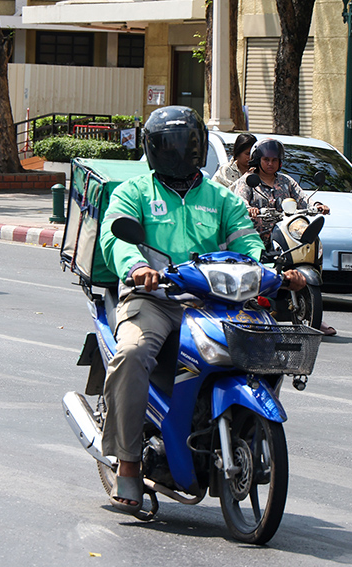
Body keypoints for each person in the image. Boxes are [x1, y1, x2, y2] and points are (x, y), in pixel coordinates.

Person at [98, 106, 306, 514]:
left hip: (216, 302)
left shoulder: (222, 198)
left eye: (185, 143)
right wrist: (137, 268)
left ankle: (246, 429)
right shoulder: (135, 192)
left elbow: (248, 243)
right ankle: (127, 460)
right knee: (134, 352)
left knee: (264, 349)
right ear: (154, 149)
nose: (177, 152)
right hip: (155, 299)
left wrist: (272, 270)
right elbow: (115, 237)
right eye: (168, 145)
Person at [230, 138, 336, 336]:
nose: (270, 164)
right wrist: (249, 209)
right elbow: (238, 202)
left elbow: (303, 199)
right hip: (257, 238)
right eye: (266, 159)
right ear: (258, 160)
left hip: (287, 236)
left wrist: (318, 206)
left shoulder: (286, 181)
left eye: (275, 160)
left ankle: (314, 313)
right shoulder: (247, 181)